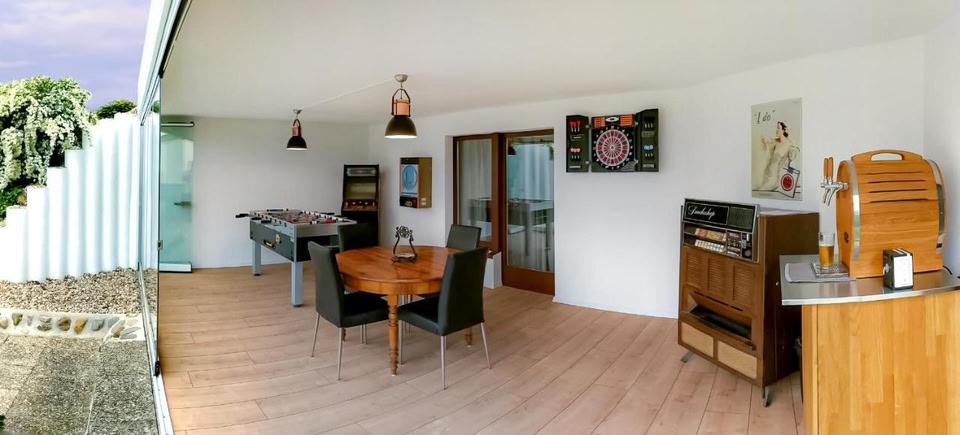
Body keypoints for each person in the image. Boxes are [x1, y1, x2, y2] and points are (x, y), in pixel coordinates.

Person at [756, 121, 799, 191]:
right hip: (767, 176)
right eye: (777, 128)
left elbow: (792, 160)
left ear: (784, 130)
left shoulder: (789, 146)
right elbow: (765, 142)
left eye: (778, 128)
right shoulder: (775, 141)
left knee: (761, 190)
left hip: (775, 179)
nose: (776, 130)